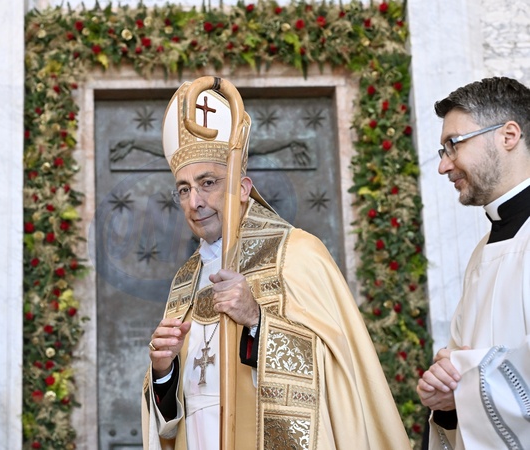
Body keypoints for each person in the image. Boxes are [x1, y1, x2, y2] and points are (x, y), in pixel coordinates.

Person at [141, 78, 411, 449]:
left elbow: (334, 373)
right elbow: (177, 414)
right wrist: (163, 371)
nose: (195, 202)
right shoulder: (185, 280)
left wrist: (256, 320)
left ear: (242, 188)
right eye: (184, 189)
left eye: (208, 183)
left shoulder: (297, 252)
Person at [416, 76, 530, 449]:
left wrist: (466, 385)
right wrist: (445, 397)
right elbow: (460, 366)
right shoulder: (483, 250)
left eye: (454, 144)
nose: (443, 166)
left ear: (508, 136)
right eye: (443, 150)